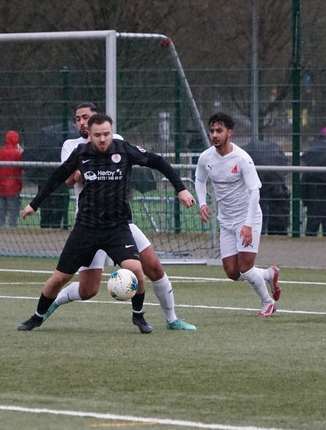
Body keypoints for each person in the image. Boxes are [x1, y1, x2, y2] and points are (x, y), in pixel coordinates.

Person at [16, 113, 196, 333]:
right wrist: (34, 204)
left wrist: (181, 189)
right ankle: (37, 317)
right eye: (97, 135)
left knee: (136, 270)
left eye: (106, 134)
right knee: (60, 278)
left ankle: (138, 316)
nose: (102, 139)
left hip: (117, 227)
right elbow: (57, 177)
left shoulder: (124, 149)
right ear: (90, 135)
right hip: (86, 228)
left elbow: (157, 161)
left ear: (112, 133)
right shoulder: (80, 153)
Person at [194, 112, 281, 317]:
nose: (214, 135)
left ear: (229, 133)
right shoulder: (206, 157)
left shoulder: (242, 159)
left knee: (246, 267)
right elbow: (199, 180)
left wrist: (248, 225)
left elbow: (255, 192)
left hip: (247, 218)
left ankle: (267, 302)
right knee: (232, 272)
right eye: (212, 131)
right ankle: (269, 274)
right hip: (226, 221)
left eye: (219, 131)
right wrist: (203, 203)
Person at [0, 130, 23, 228]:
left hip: (1, 187)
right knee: (13, 214)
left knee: (1, 212)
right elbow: (23, 168)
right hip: (14, 187)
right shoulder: (18, 154)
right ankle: (12, 231)